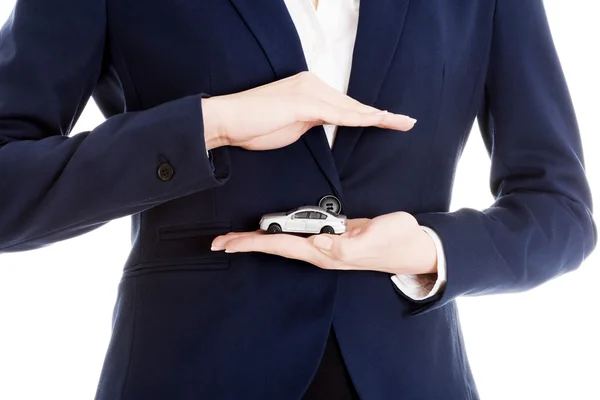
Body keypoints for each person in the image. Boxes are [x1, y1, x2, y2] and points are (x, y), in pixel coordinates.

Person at [0, 0, 596, 398]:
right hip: (187, 372)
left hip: (411, 377)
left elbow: (560, 209)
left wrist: (430, 247)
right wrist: (214, 124)